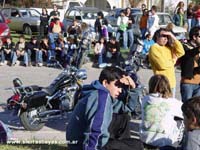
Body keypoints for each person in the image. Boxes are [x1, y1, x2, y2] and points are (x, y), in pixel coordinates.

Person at [66, 66, 143, 150]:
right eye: (117, 86)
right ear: (105, 83)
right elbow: (95, 129)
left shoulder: (100, 93)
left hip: (78, 143)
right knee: (136, 145)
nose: (120, 90)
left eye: (122, 87)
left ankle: (119, 143)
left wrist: (133, 88)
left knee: (123, 117)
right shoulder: (101, 96)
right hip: (82, 145)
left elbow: (126, 108)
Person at [140, 74, 184, 149]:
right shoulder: (173, 102)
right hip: (164, 142)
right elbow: (184, 112)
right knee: (181, 119)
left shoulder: (145, 99)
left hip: (145, 138)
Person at [148, 28, 185, 97]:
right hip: (161, 83)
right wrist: (173, 60)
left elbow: (181, 52)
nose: (165, 39)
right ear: (157, 37)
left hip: (171, 83)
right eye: (163, 36)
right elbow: (162, 65)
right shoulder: (154, 47)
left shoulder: (168, 48)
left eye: (167, 37)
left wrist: (172, 36)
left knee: (170, 106)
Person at [180, 26, 200, 102]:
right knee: (187, 108)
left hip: (198, 83)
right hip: (188, 83)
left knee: (196, 109)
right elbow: (189, 54)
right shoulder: (184, 46)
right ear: (194, 37)